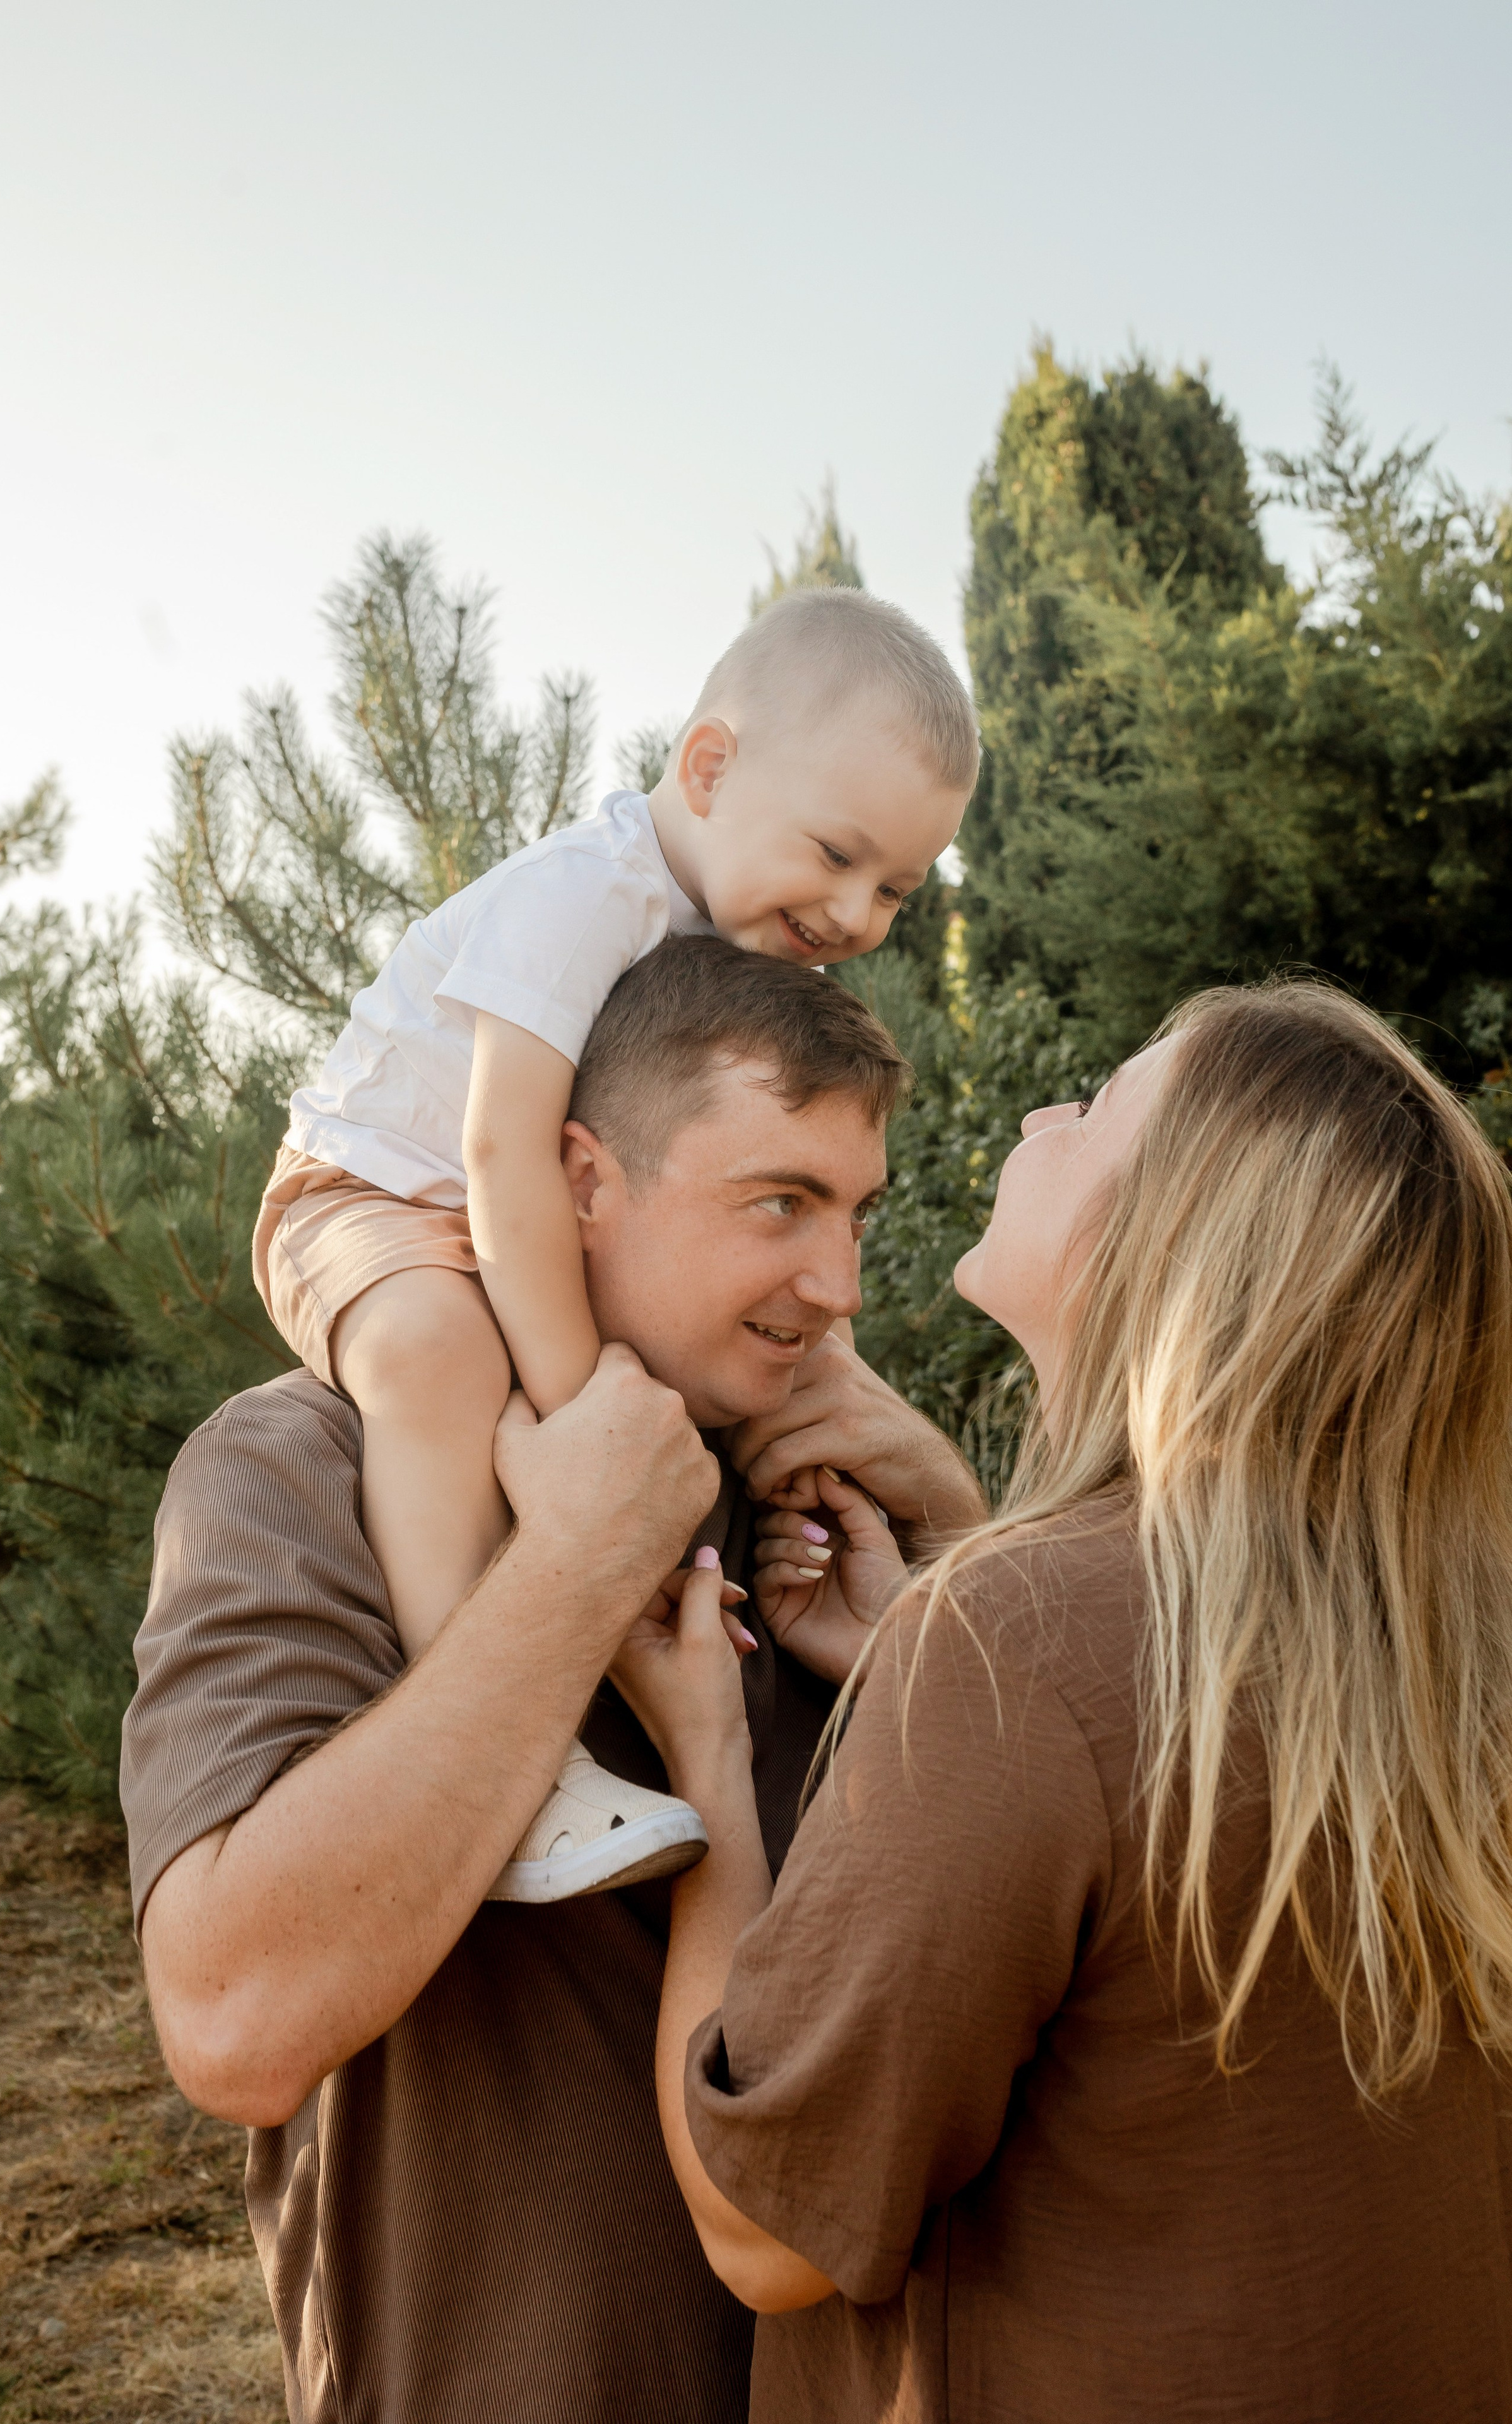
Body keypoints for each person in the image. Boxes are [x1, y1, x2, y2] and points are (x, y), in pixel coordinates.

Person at [622, 978, 1512, 2423]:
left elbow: (768, 2231)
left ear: (1169, 1236)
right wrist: (934, 1656)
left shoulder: (1020, 1641)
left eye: (1095, 1108)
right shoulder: (1449, 1636)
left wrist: (707, 1765)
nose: (1044, 1112)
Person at [123, 937, 986, 2424]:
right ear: (583, 1179)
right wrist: (582, 1560)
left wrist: (966, 1545)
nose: (836, 1287)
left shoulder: (838, 1511)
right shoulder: (301, 1466)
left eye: (853, 1214)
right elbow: (233, 2018)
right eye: (778, 1201)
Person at [255, 586, 976, 1902]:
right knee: (430, 1356)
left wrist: (823, 1398)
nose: (856, 912)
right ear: (708, 766)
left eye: (896, 888)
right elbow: (501, 1155)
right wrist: (579, 1396)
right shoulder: (586, 897)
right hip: (368, 1185)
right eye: (833, 853)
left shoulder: (747, 947)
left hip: (502, 1205)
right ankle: (503, 1748)